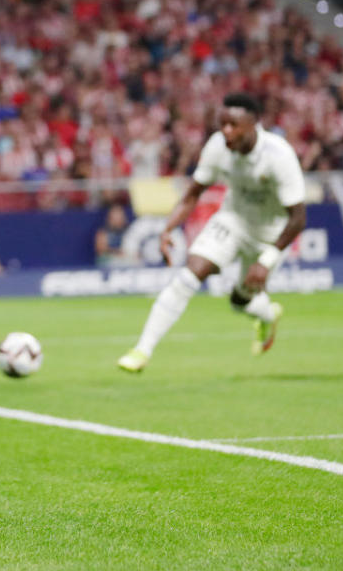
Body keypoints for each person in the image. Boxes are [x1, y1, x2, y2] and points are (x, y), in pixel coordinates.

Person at [117, 94, 306, 372]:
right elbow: (193, 193)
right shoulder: (218, 147)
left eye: (234, 125)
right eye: (223, 125)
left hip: (271, 234)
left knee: (240, 302)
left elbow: (298, 219)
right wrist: (168, 227)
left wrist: (265, 261)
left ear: (253, 124)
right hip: (233, 220)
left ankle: (267, 315)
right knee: (190, 273)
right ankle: (141, 351)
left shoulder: (279, 156)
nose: (227, 131)